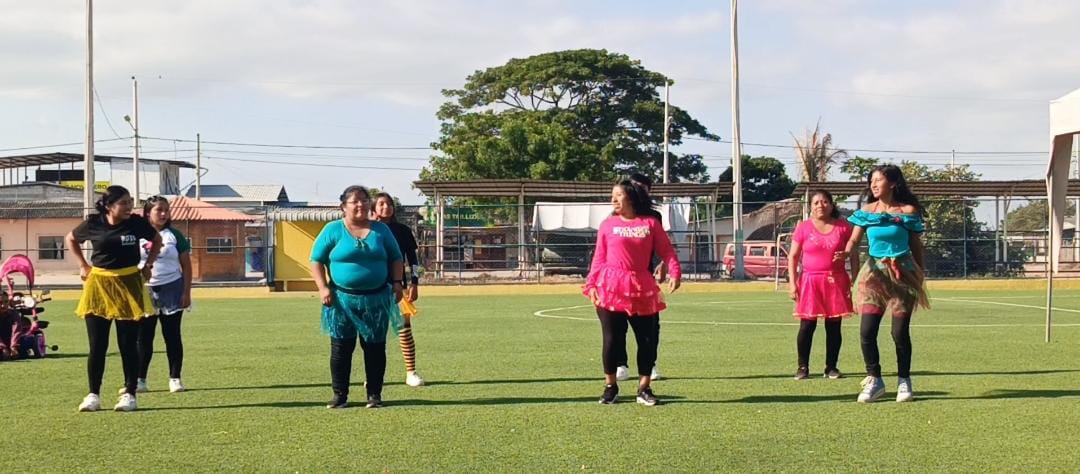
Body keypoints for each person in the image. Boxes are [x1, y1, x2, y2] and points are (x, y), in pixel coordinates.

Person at [584, 179, 681, 406]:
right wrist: (591, 284)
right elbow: (598, 258)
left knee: (647, 340)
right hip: (610, 287)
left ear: (631, 197)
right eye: (612, 195)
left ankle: (644, 388)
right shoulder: (607, 225)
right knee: (612, 339)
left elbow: (667, 251)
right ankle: (610, 387)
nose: (613, 199)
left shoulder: (650, 223)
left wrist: (675, 271)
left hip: (642, 287)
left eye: (618, 195)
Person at [838, 164, 930, 403]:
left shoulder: (908, 211)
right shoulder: (866, 212)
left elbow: (916, 245)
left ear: (893, 183)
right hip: (874, 274)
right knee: (867, 330)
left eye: (878, 180)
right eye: (871, 181)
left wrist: (920, 272)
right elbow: (854, 240)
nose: (873, 184)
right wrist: (846, 252)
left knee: (899, 331)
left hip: (903, 273)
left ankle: (904, 380)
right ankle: (874, 379)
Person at [66, 185, 162, 412]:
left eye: (130, 202)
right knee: (97, 345)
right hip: (99, 286)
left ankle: (129, 394)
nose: (129, 207)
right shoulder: (94, 223)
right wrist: (83, 265)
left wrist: (148, 264)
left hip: (129, 284)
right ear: (109, 206)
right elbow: (70, 238)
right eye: (124, 203)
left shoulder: (136, 223)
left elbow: (157, 240)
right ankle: (93, 395)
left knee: (127, 343)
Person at [310, 185, 405, 409]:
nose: (360, 204)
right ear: (343, 206)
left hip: (376, 299)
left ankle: (374, 395)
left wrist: (397, 283)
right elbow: (316, 260)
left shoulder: (381, 230)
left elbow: (396, 258)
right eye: (355, 201)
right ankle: (340, 395)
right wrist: (323, 288)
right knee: (341, 348)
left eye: (364, 200)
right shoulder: (332, 229)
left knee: (375, 348)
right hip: (341, 300)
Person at [787, 190, 858, 380]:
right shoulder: (803, 228)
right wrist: (793, 283)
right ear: (810, 206)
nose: (821, 205)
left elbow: (854, 254)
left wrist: (856, 278)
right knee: (807, 325)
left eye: (825, 201)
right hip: (810, 282)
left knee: (834, 326)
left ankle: (831, 367)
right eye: (816, 202)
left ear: (832, 205)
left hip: (836, 281)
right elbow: (793, 256)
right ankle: (802, 367)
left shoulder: (843, 227)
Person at [126, 196, 192, 394]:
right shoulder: (136, 235)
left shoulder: (174, 235)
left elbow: (186, 265)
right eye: (159, 210)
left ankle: (175, 378)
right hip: (144, 291)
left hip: (172, 290)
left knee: (172, 335)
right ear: (148, 213)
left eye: (166, 210)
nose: (164, 214)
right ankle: (140, 380)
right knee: (144, 337)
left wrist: (186, 292)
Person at [611, 172, 666, 382]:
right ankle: (620, 363)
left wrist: (663, 263)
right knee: (618, 325)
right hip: (618, 280)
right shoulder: (614, 217)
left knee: (650, 326)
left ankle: (649, 365)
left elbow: (661, 244)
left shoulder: (654, 217)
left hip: (644, 279)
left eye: (642, 188)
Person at [372, 192, 425, 387]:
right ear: (373, 208)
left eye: (389, 204)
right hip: (373, 287)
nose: (386, 207)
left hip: (398, 287)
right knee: (375, 333)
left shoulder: (403, 230)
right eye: (381, 204)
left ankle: (411, 372)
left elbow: (413, 260)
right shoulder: (368, 230)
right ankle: (373, 375)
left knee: (404, 328)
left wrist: (415, 282)